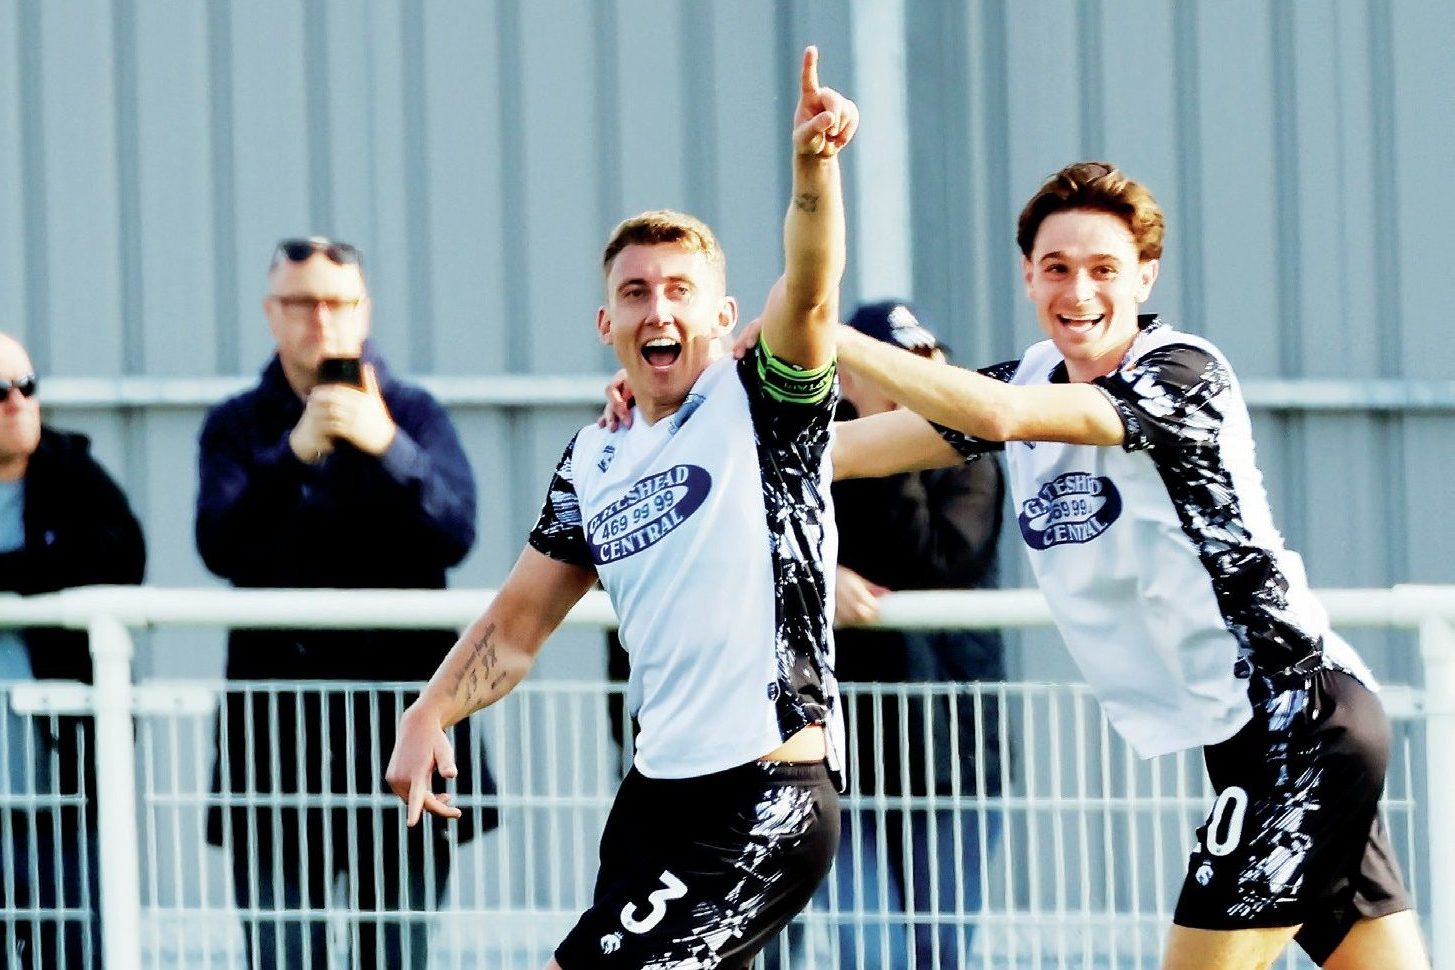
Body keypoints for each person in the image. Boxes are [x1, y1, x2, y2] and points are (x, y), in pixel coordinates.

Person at [821, 162, 1429, 969]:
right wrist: (705, 402)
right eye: (1056, 268)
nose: (1078, 291)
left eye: (1103, 268)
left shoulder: (1179, 372)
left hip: (1300, 724)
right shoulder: (1026, 378)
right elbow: (835, 451)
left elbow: (999, 415)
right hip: (1242, 739)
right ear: (1027, 276)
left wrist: (832, 333)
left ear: (1145, 275)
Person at [387, 46, 857, 970]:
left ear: (723, 315)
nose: (658, 311)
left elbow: (809, 286)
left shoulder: (763, 403)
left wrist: (813, 171)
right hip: (655, 795)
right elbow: (517, 625)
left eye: (680, 291)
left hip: (766, 792)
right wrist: (429, 713)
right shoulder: (594, 457)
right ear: (607, 323)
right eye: (635, 293)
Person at [195, 237, 497, 970]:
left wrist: (387, 446)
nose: (320, 320)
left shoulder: (414, 414)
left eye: (337, 302)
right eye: (301, 303)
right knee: (282, 953)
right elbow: (219, 544)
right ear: (271, 312)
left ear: (364, 311)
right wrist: (294, 454)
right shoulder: (236, 424)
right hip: (274, 745)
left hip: (402, 733)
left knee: (396, 953)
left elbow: (456, 531)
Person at [818, 300, 1007, 969]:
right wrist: (821, 574)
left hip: (952, 753)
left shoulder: (968, 451)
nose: (912, 379)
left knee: (940, 948)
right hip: (839, 755)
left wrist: (890, 448)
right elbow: (758, 537)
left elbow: (941, 562)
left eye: (924, 363)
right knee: (866, 951)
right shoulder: (815, 451)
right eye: (892, 366)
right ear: (847, 376)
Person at [0, 333, 146, 969]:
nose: (16, 402)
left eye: (26, 386)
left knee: (74, 946)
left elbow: (119, 557)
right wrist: (43, 568)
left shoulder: (72, 472)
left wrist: (14, 572)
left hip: (61, 781)